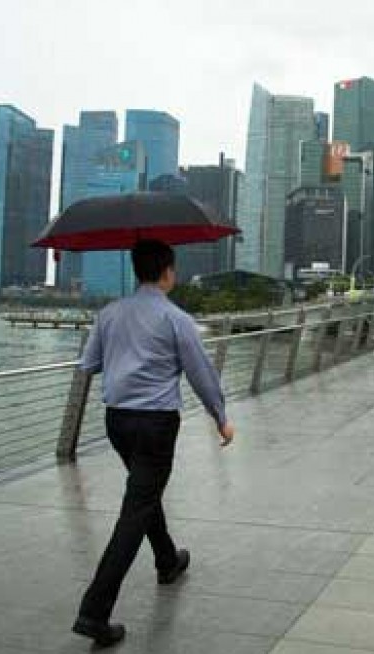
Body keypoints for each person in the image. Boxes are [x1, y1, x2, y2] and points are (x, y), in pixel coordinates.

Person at [71, 240, 235, 647]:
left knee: (142, 495)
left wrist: (123, 353)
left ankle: (167, 559)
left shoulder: (109, 314)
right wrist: (220, 417)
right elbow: (200, 372)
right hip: (156, 424)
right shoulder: (176, 318)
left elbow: (88, 364)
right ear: (167, 272)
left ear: (136, 269)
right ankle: (94, 611)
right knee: (138, 506)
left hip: (117, 422)